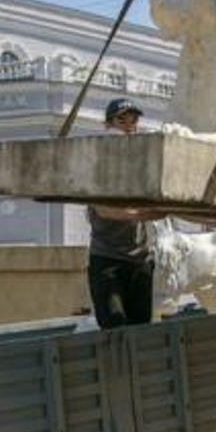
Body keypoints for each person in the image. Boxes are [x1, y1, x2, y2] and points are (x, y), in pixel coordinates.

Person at [87, 98, 160, 328]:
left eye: (134, 120)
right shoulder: (99, 163)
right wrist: (141, 214)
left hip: (141, 261)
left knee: (141, 330)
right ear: (108, 126)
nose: (129, 126)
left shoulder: (142, 165)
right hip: (108, 261)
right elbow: (103, 209)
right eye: (121, 120)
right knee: (115, 328)